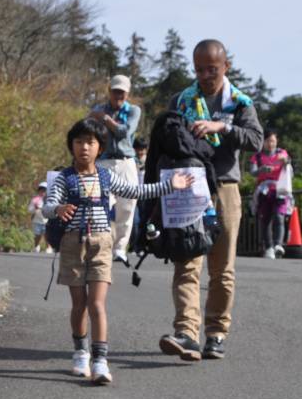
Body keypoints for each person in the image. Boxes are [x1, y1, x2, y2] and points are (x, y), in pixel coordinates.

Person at [43, 118, 193, 384]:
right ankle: (80, 353)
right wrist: (57, 210)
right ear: (71, 146)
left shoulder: (105, 176)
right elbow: (48, 205)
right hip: (72, 246)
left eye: (90, 142)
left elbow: (135, 190)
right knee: (79, 304)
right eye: (79, 142)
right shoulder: (64, 179)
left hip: (101, 244)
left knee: (97, 304)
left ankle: (100, 360)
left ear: (100, 148)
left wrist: (171, 185)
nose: (84, 148)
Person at [158, 39, 263, 362]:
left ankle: (215, 333)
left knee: (222, 269)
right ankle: (187, 332)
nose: (205, 75)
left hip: (226, 188)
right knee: (187, 261)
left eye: (212, 69)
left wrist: (222, 127)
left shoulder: (240, 102)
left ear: (226, 66)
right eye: (199, 69)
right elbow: (165, 137)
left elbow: (256, 140)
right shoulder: (181, 99)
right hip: (188, 187)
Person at [90, 74, 142, 266]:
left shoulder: (134, 110)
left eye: (122, 92)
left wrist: (104, 119)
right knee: (101, 204)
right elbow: (88, 125)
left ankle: (120, 248)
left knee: (127, 207)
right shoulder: (99, 108)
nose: (118, 95)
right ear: (109, 91)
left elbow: (124, 132)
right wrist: (98, 117)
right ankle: (102, 244)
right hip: (103, 162)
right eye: (115, 91)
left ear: (127, 93)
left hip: (126, 162)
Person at [249, 129, 292, 258]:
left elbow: (288, 163)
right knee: (265, 220)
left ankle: (278, 244)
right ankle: (268, 247)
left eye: (272, 141)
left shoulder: (282, 153)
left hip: (280, 190)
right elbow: (253, 172)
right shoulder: (257, 156)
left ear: (276, 141)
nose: (270, 144)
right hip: (264, 191)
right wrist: (261, 170)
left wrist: (286, 161)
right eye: (267, 141)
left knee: (279, 217)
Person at [28, 181, 50, 252]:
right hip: (37, 220)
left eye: (45, 190)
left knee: (47, 235)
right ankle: (36, 246)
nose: (43, 192)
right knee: (37, 235)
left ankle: (48, 248)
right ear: (39, 191)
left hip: (47, 220)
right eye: (41, 190)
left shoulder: (49, 200)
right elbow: (29, 210)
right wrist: (35, 208)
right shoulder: (35, 200)